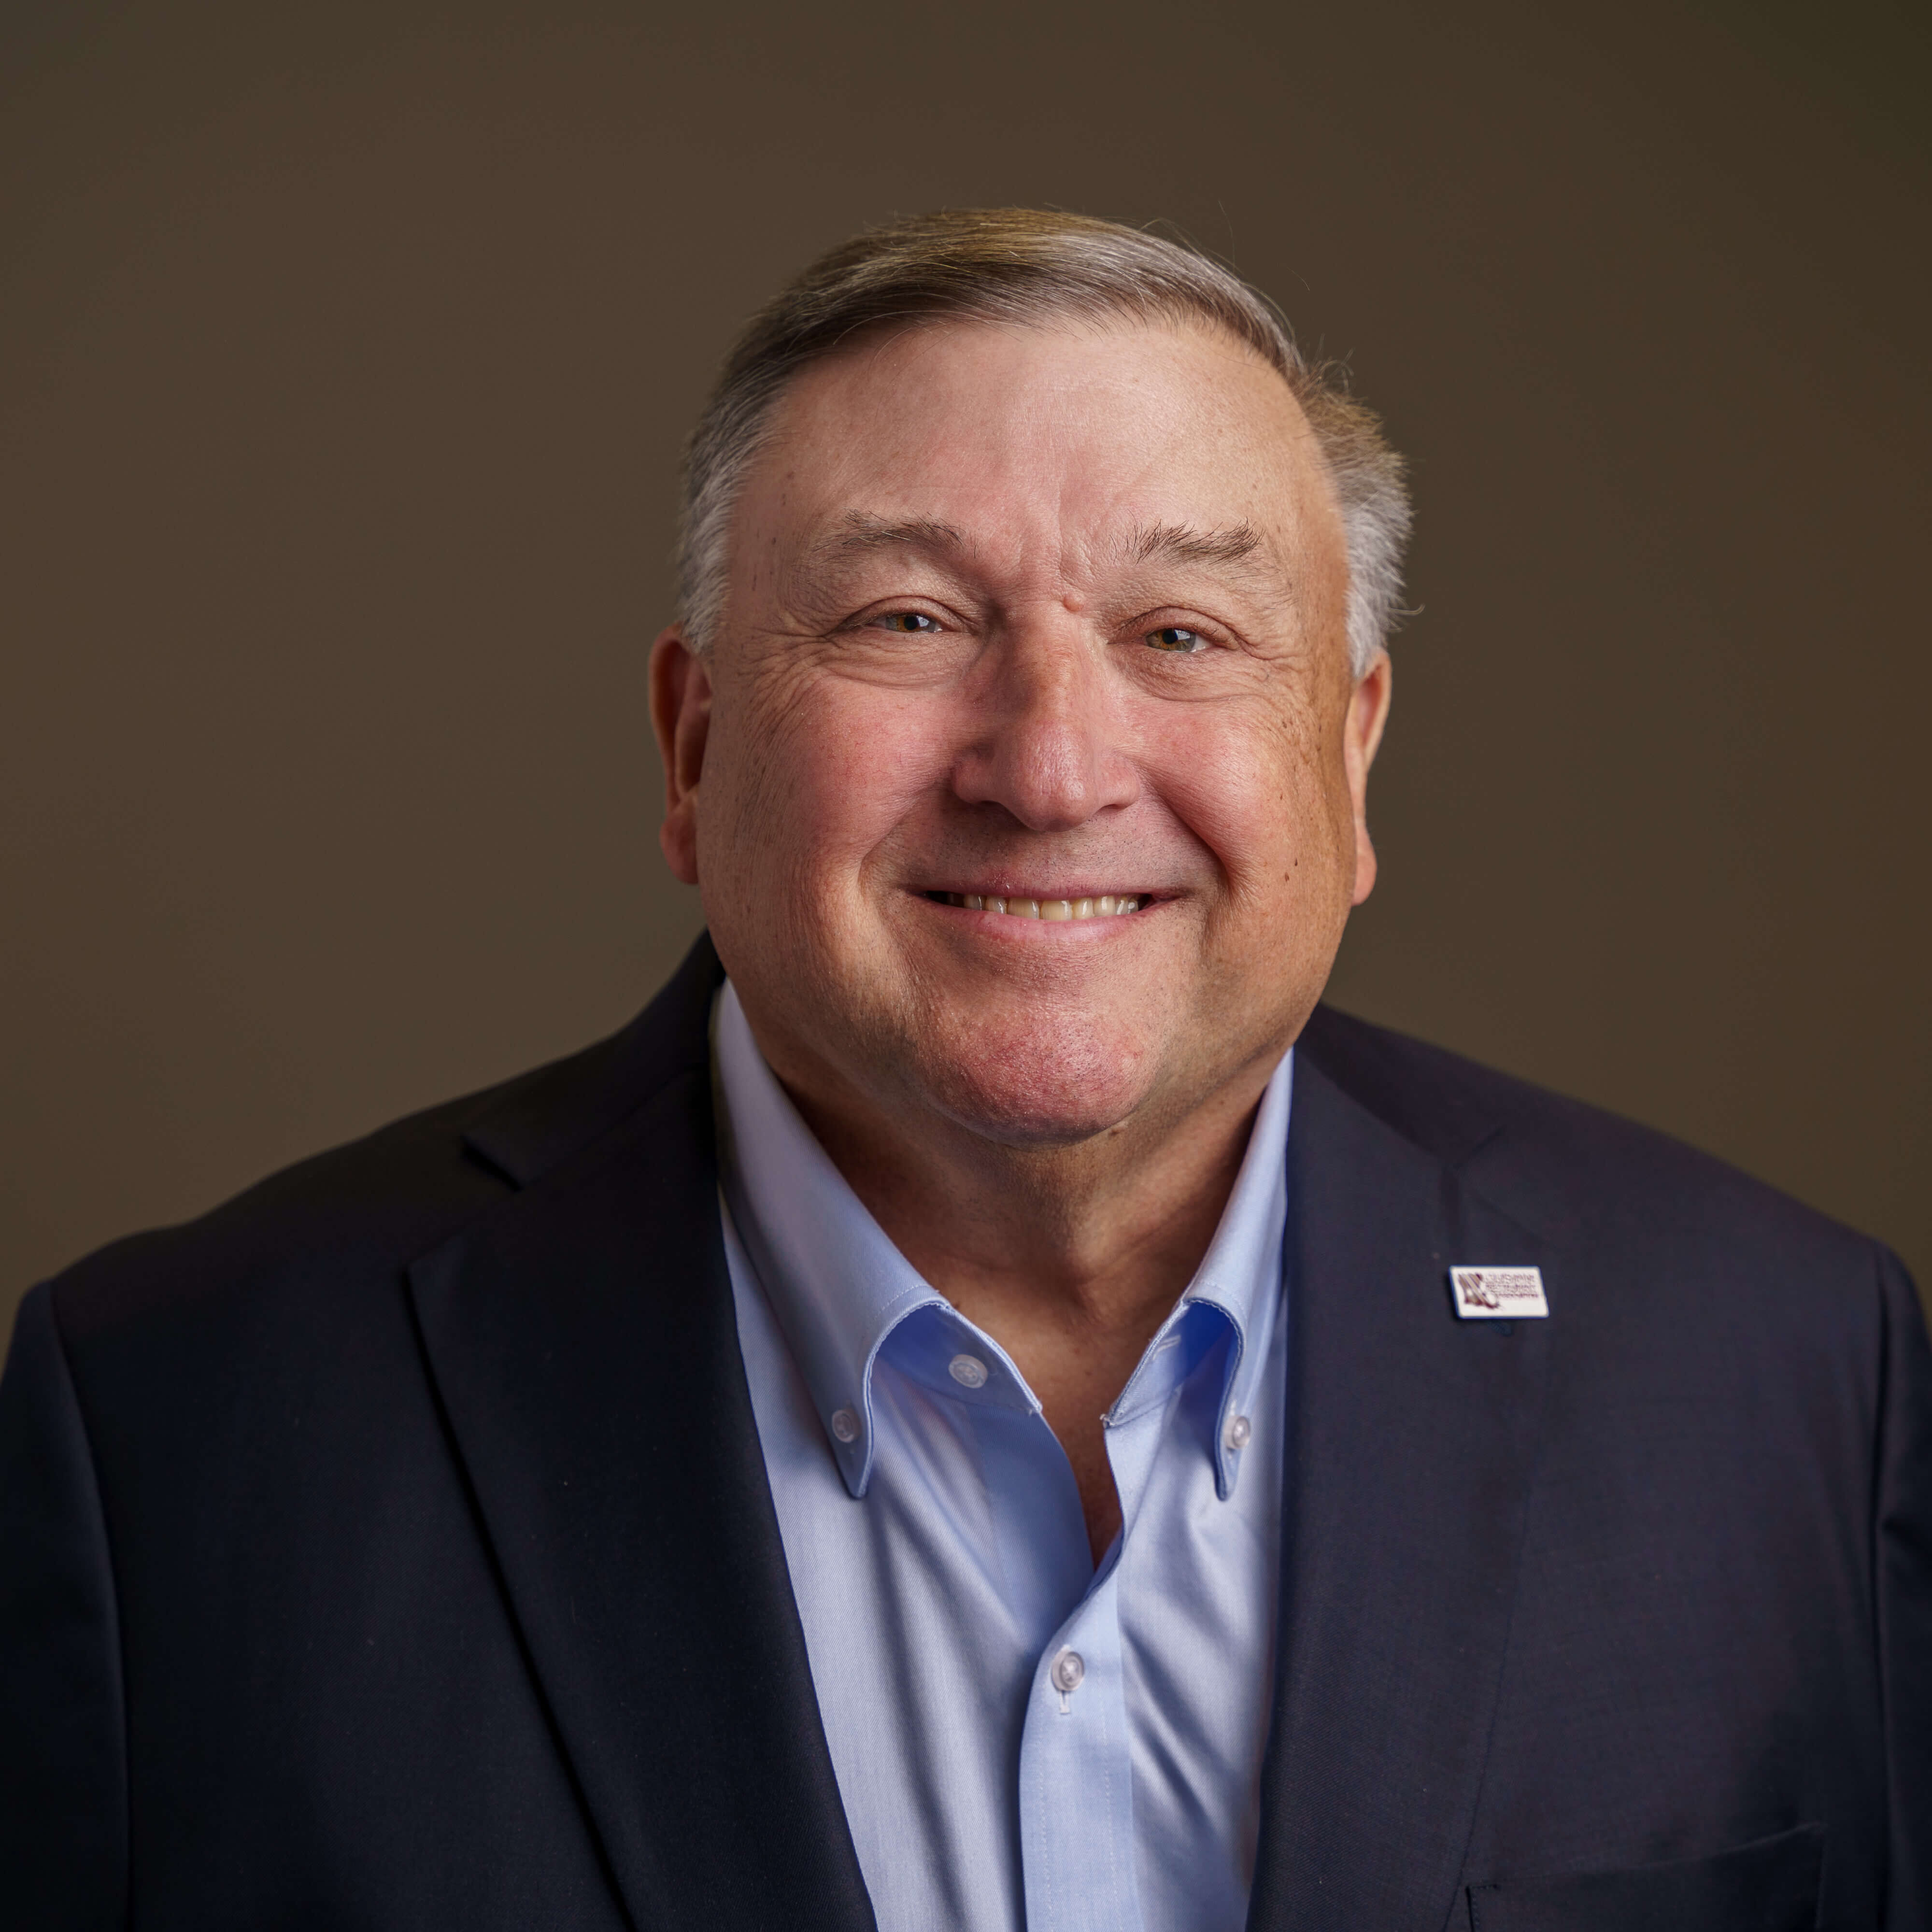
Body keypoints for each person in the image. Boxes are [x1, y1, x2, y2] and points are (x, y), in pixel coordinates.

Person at [1, 208, 1925, 1932]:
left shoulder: (1782, 1377)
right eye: (909, 620)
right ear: (691, 748)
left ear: (1349, 761)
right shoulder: (176, 1432)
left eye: (1182, 632)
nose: (1052, 767)